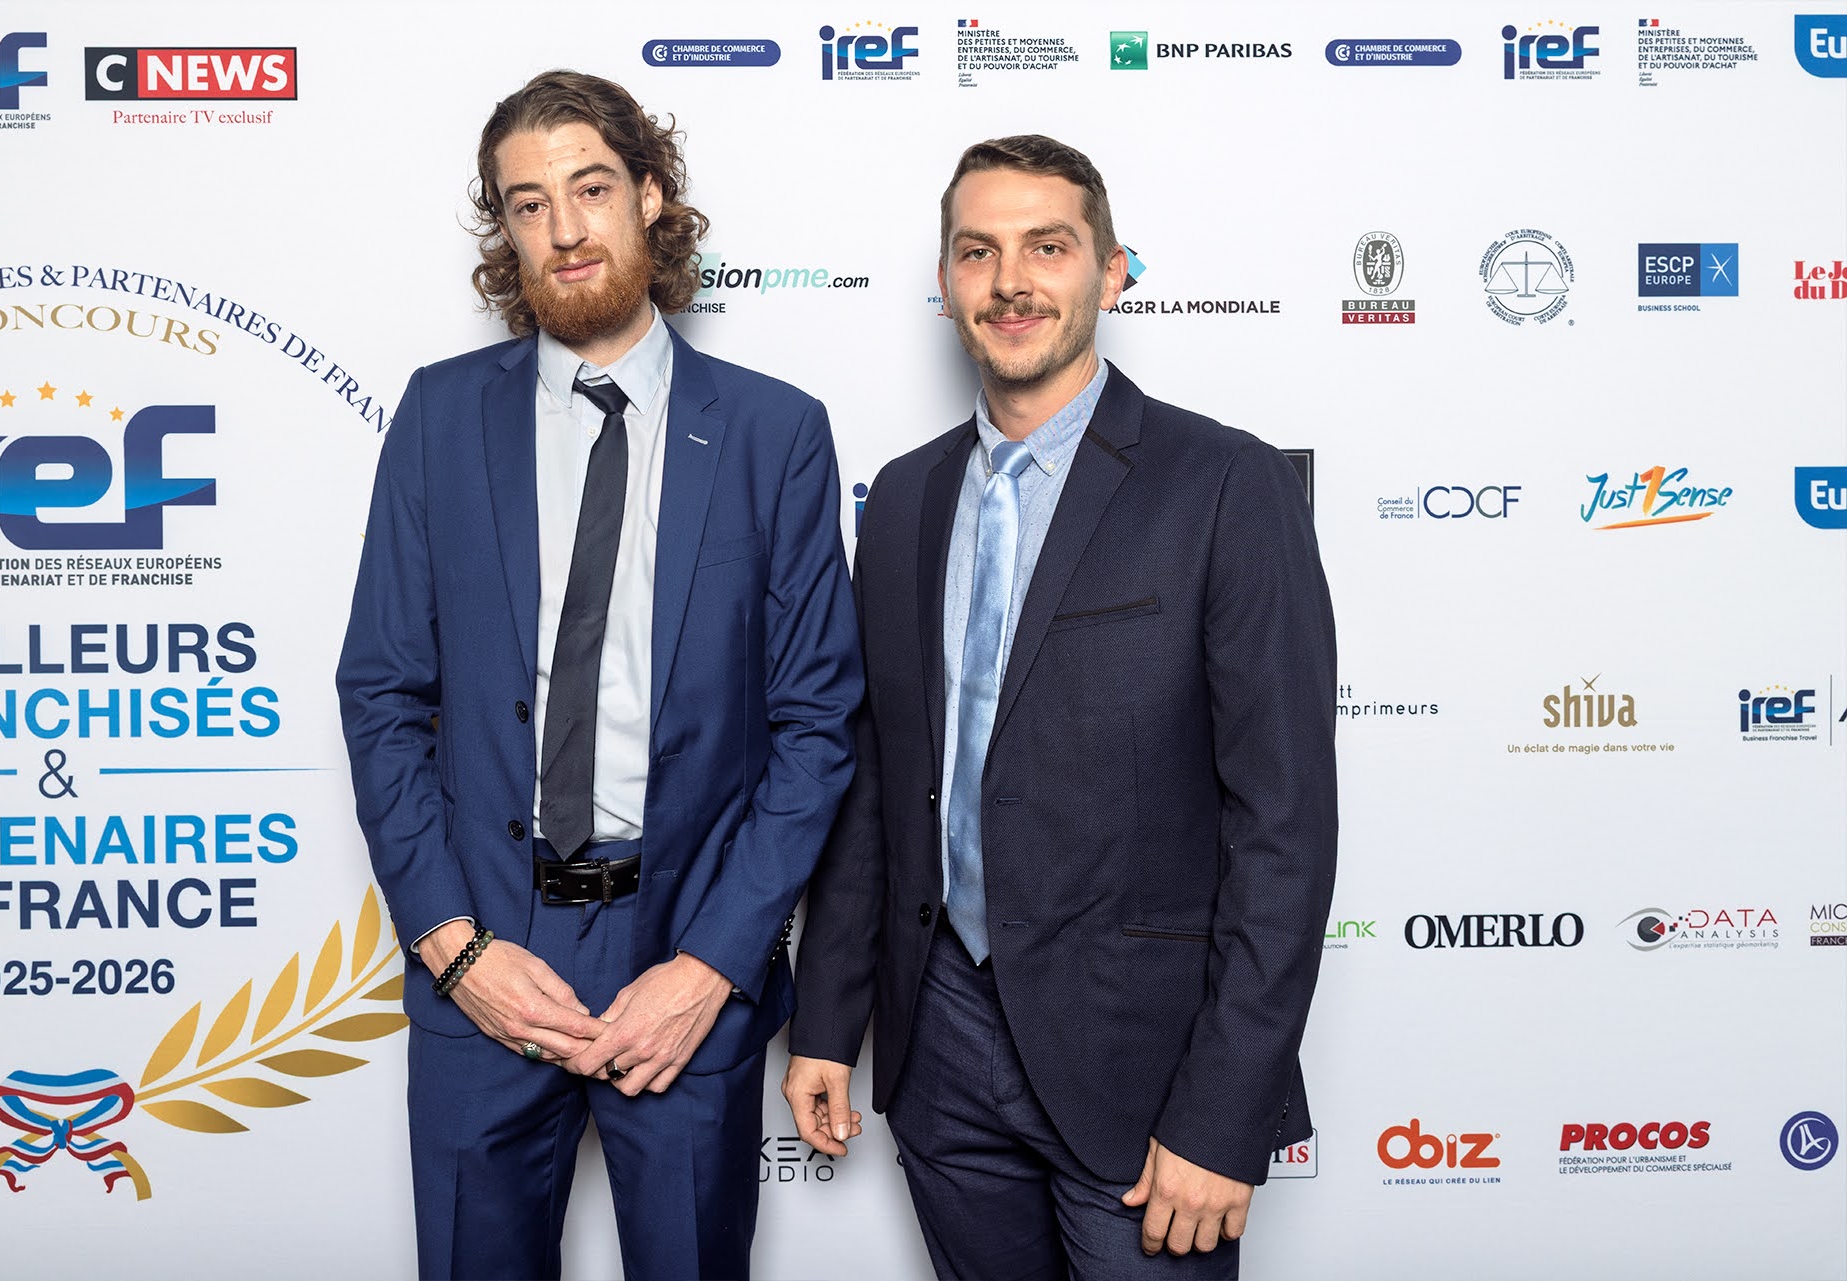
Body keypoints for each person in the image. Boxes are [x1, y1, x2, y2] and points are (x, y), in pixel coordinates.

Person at [337, 69, 861, 1281]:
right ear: (504, 231)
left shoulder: (775, 434)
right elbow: (382, 694)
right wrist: (453, 947)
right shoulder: (436, 416)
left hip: (683, 951)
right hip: (486, 951)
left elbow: (817, 724)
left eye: (589, 189)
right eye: (527, 205)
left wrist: (712, 965)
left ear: (651, 198)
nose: (564, 229)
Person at [784, 134, 1337, 1278]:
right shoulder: (901, 499)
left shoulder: (1227, 485)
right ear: (947, 286)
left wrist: (1222, 1113)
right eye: (977, 252)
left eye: (1049, 245)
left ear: (1114, 271)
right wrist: (829, 1023)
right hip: (941, 1048)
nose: (1011, 279)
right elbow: (879, 779)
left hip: (1144, 1076)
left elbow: (1283, 826)